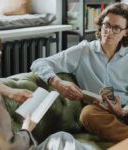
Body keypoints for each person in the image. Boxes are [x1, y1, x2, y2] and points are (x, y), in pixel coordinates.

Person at [31, 2, 128, 142]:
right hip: (100, 113)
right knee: (87, 114)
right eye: (106, 25)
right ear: (101, 25)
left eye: (116, 28)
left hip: (125, 111)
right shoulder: (83, 51)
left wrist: (123, 111)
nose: (109, 31)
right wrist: (57, 82)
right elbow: (39, 63)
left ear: (126, 32)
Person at [0, 24, 86, 149]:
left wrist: (11, 91)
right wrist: (26, 129)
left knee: (61, 139)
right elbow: (9, 146)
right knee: (61, 140)